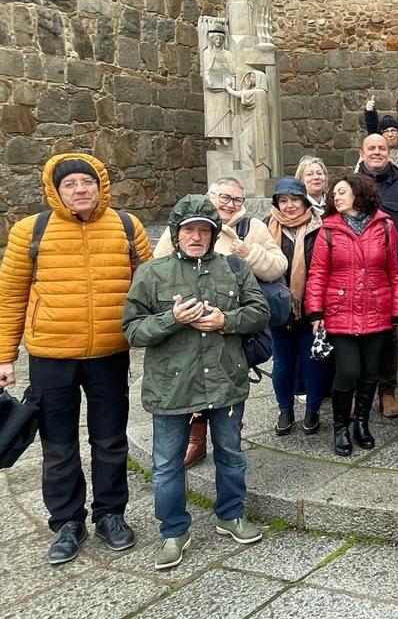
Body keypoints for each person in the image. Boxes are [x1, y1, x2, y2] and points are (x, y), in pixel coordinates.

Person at [0, 154, 152, 565]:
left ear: (100, 185)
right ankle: (67, 521)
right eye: (70, 184)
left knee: (110, 438)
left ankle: (110, 515)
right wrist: (4, 356)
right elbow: (11, 295)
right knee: (58, 444)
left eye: (87, 182)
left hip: (109, 352)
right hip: (51, 355)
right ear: (56, 189)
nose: (80, 190)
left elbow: (150, 282)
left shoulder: (126, 226)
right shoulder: (30, 231)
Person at [122, 195, 269, 569]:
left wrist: (226, 321)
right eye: (189, 229)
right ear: (176, 233)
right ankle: (174, 531)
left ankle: (230, 515)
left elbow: (259, 312)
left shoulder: (234, 268)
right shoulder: (151, 273)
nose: (196, 236)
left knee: (231, 455)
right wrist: (172, 318)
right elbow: (132, 330)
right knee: (167, 464)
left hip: (225, 377)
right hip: (171, 384)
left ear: (214, 233)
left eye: (204, 230)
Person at [152, 177, 285, 468]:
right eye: (224, 197)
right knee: (192, 380)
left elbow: (278, 266)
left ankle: (229, 436)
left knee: (230, 378)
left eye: (237, 200)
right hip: (189, 320)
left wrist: (247, 252)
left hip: (233, 324)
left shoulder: (252, 228)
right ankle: (196, 440)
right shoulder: (187, 224)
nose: (230, 204)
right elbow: (159, 264)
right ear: (209, 195)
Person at [305, 173, 398, 457]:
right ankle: (341, 427)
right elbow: (317, 275)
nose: (335, 197)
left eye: (341, 192)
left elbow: (396, 273)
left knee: (371, 374)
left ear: (358, 193)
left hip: (377, 311)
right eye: (334, 194)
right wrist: (315, 313)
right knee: (348, 372)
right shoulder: (328, 230)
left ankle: (362, 423)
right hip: (340, 312)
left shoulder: (385, 226)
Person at [354, 133, 398, 417]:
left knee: (388, 335)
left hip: (391, 273)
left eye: (381, 148)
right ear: (362, 152)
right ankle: (355, 389)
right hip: (356, 271)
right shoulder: (349, 187)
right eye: (371, 148)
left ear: (389, 152)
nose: (377, 152)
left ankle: (387, 391)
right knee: (354, 333)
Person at [263, 177, 325, 436]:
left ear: (304, 201)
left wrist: (318, 310)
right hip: (278, 308)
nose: (289, 206)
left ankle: (312, 410)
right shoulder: (265, 227)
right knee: (282, 363)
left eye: (295, 200)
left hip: (310, 307)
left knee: (313, 362)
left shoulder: (318, 227)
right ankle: (285, 409)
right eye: (284, 200)